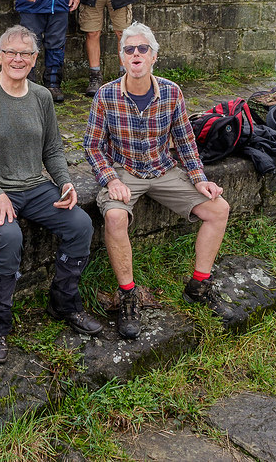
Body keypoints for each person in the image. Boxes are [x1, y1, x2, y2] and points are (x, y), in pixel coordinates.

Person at [0, 25, 102, 366]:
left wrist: (65, 183)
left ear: (35, 59)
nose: (17, 59)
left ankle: (64, 302)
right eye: (11, 52)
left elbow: (52, 148)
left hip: (34, 186)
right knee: (8, 236)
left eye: (25, 53)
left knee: (80, 224)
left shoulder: (41, 97)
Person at [83, 22, 235, 339]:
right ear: (121, 58)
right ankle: (128, 295)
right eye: (129, 49)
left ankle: (199, 284)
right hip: (125, 170)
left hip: (164, 168)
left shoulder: (171, 92)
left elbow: (184, 141)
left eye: (143, 49)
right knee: (113, 216)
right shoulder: (106, 95)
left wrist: (199, 178)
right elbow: (93, 146)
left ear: (154, 56)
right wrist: (110, 180)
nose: (136, 54)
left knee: (219, 209)